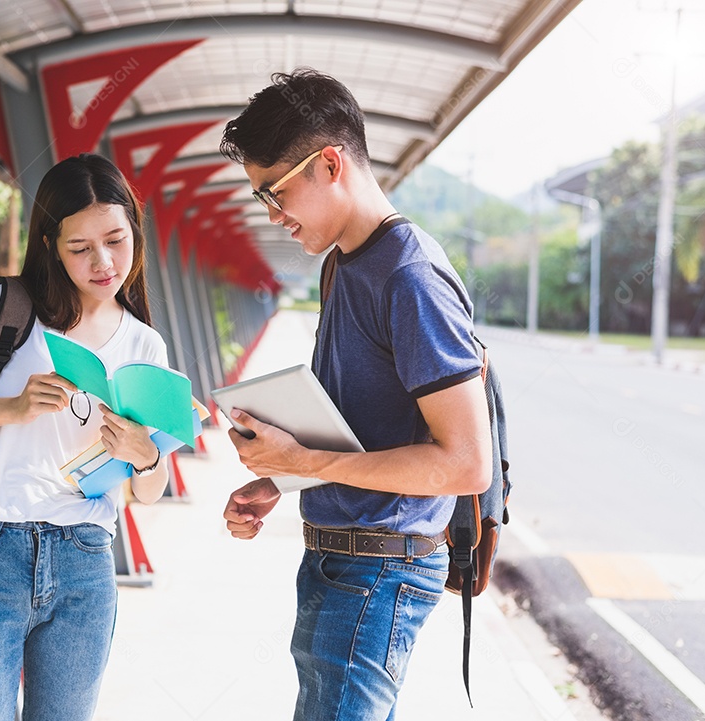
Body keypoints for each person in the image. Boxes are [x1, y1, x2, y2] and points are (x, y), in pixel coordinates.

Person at [218, 69, 492, 721]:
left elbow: (466, 463)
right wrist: (283, 475)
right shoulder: (341, 263)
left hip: (378, 573)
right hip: (340, 562)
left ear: (330, 163)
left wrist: (308, 465)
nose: (271, 214)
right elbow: (359, 425)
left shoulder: (410, 277)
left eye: (275, 191)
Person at [0, 153, 171, 721]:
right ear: (49, 243)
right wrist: (13, 407)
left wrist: (143, 456)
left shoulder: (145, 346)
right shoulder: (12, 309)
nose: (104, 262)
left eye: (116, 240)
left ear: (135, 232)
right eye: (81, 248)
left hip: (84, 557)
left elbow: (148, 493)